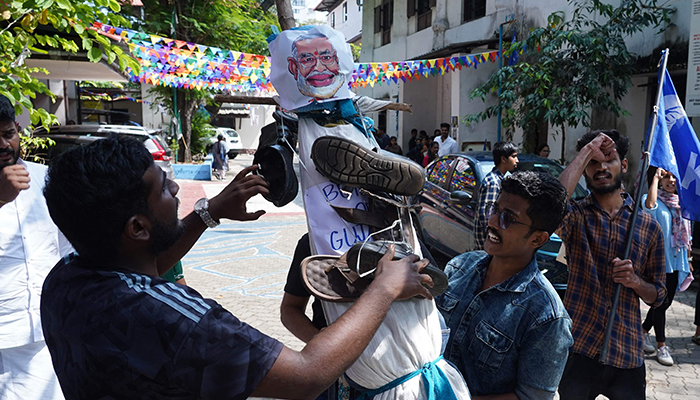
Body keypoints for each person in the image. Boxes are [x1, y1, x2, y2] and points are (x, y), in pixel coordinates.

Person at [40, 135, 434, 400]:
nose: (176, 190)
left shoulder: (65, 280)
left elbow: (148, 263)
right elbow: (307, 376)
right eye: (162, 187)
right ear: (137, 228)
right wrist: (386, 288)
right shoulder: (176, 321)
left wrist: (207, 214)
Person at [439, 171, 573, 399]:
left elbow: (531, 397)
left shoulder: (546, 317)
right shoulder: (459, 268)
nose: (492, 222)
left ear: (538, 239)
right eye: (495, 210)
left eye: (508, 219)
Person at [556, 130, 666, 400]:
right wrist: (585, 152)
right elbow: (552, 204)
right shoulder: (576, 217)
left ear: (624, 165)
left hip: (626, 353)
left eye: (610, 160)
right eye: (593, 162)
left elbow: (659, 296)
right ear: (584, 170)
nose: (601, 167)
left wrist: (635, 281)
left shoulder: (648, 226)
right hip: (579, 348)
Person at [0, 95, 68, 400]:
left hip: (47, 334)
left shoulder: (45, 179)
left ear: (18, 129)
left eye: (7, 134)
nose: (3, 144)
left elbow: (69, 252)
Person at [641, 167, 692, 366]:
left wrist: (688, 259)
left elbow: (688, 234)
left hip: (677, 259)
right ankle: (662, 346)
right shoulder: (653, 198)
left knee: (667, 301)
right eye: (667, 177)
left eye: (674, 178)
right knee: (660, 304)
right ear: (661, 181)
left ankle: (643, 331)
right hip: (659, 261)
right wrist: (655, 178)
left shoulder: (681, 203)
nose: (671, 181)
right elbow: (650, 206)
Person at [474, 142, 519, 250]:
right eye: (514, 157)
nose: (517, 160)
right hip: (487, 245)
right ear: (503, 159)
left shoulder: (502, 179)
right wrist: (495, 237)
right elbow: (486, 216)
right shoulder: (493, 183)